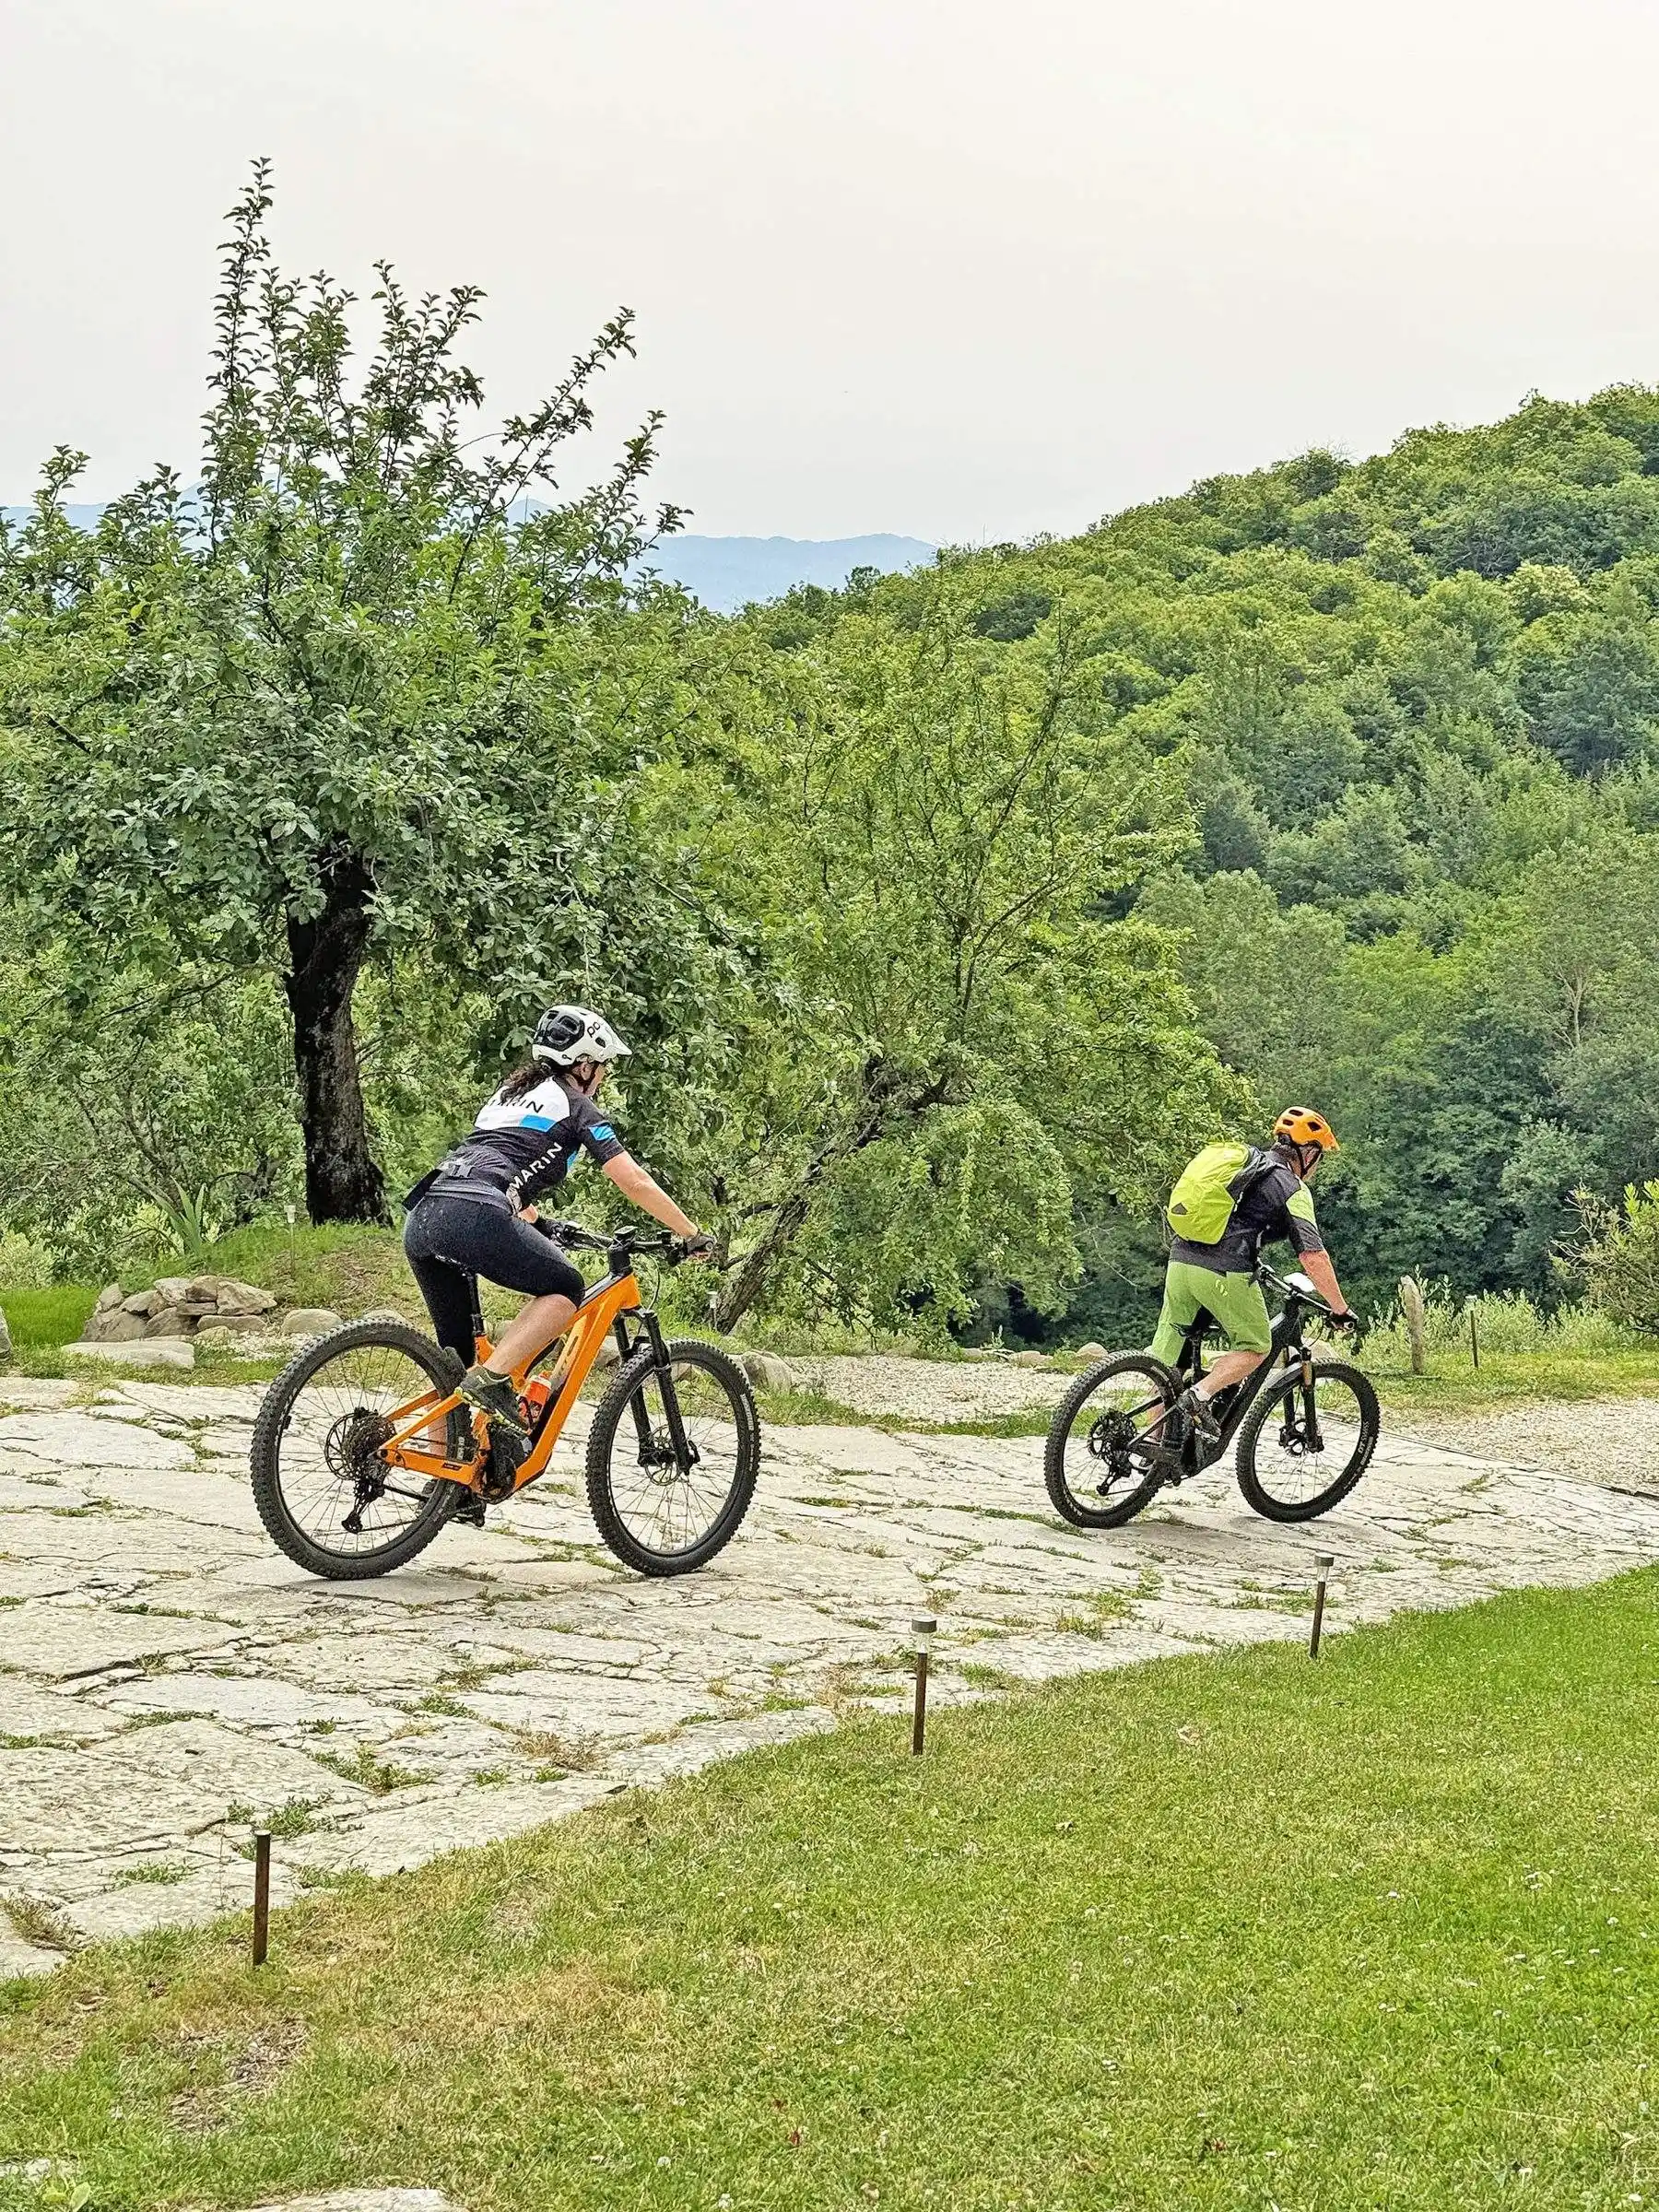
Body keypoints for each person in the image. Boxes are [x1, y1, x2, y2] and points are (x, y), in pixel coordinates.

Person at [403, 1005, 712, 1456]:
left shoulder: (508, 1094)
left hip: (427, 1211)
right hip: (473, 1211)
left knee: (453, 1362)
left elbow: (499, 1164)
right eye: (602, 1068)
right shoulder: (577, 1105)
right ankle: (493, 1382)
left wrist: (536, 1221)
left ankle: (447, 1481)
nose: (602, 1078)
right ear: (584, 1066)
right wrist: (689, 1232)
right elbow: (634, 1181)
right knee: (565, 1285)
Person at [1149, 1107, 1357, 1447]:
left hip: (1180, 1261)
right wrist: (1339, 1308)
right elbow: (1312, 1254)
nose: (1316, 1168)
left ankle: (1153, 1450)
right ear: (1308, 1153)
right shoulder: (1292, 1187)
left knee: (1165, 1360)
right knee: (1257, 1347)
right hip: (1224, 1271)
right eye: (1318, 1158)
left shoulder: (1246, 1166)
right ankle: (1199, 1397)